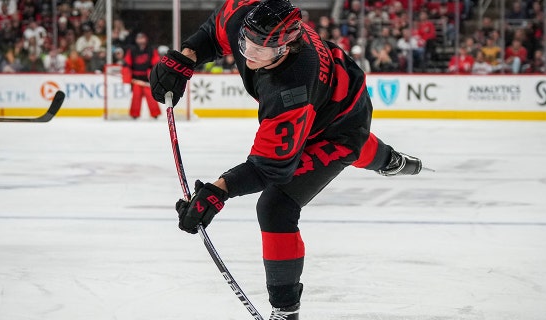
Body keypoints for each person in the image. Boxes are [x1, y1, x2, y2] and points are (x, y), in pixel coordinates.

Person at [149, 0, 423, 318]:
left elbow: (269, 167)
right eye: (244, 44)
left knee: (276, 207)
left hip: (339, 123)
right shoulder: (247, 18)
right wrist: (185, 56)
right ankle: (389, 160)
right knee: (329, 147)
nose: (248, 54)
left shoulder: (289, 90)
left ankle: (285, 310)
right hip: (328, 96)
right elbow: (214, 30)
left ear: (285, 48)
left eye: (259, 50)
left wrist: (217, 192)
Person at [124, 32, 161, 119]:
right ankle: (134, 114)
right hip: (136, 77)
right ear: (136, 40)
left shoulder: (151, 49)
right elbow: (127, 63)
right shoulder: (132, 50)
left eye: (142, 38)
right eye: (138, 39)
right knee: (136, 96)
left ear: (145, 39)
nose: (140, 40)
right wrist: (127, 76)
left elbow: (155, 63)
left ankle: (155, 114)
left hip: (148, 78)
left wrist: (151, 74)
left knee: (151, 96)